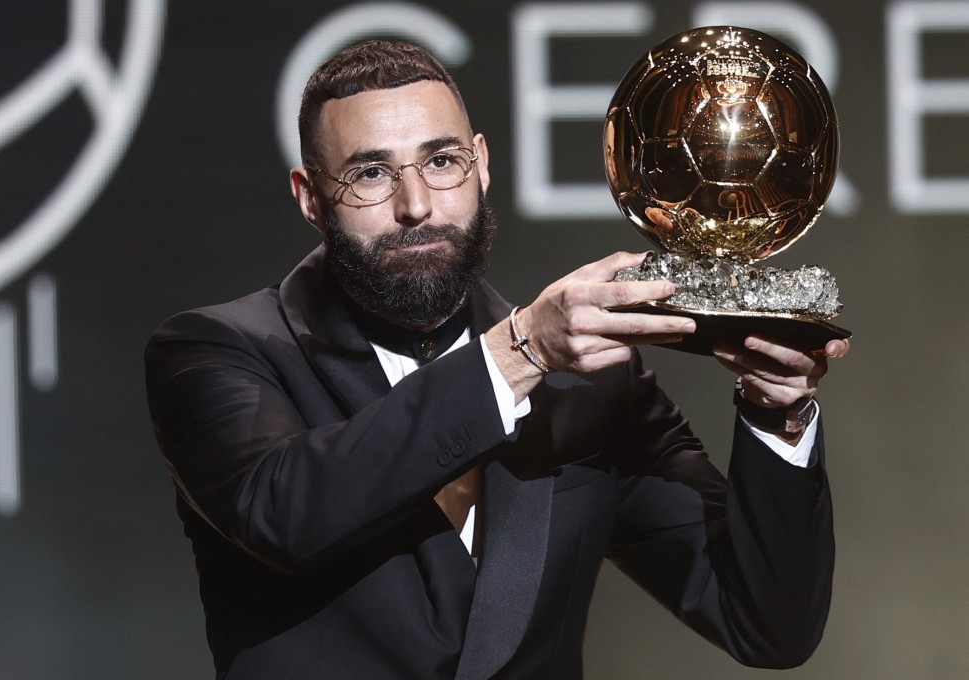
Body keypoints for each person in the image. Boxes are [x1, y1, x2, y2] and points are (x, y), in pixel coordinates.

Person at [145, 40, 850, 680]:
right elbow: (286, 515)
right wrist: (521, 352)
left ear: (481, 163)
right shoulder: (219, 350)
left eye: (442, 161)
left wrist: (774, 414)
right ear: (310, 198)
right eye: (370, 175)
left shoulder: (595, 387)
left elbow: (766, 624)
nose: (416, 204)